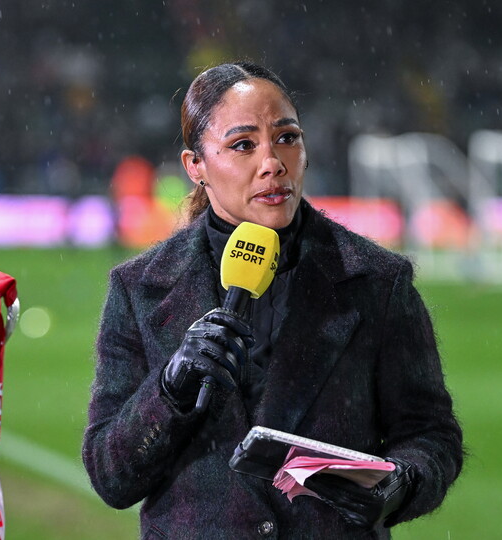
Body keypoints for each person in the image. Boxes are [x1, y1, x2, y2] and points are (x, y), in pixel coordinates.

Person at [82, 62, 463, 538]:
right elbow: (111, 477)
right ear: (195, 166)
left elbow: (430, 434)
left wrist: (400, 485)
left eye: (287, 138)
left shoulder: (378, 282)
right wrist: (169, 391)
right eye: (243, 145)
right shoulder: (139, 287)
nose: (273, 163)